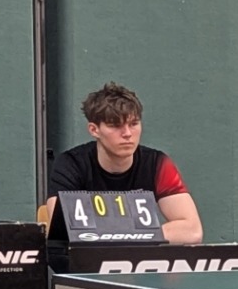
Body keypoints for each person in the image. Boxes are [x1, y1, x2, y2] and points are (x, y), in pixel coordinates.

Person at [42, 83, 203, 244]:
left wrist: (128, 235)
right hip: (88, 259)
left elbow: (192, 231)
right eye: (115, 125)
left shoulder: (157, 163)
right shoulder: (70, 164)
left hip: (139, 257)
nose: (127, 133)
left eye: (133, 124)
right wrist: (137, 234)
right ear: (94, 130)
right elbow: (65, 231)